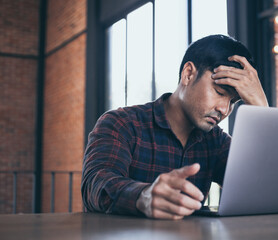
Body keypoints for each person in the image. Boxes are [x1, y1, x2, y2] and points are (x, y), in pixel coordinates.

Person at [81, 34, 268, 220]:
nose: (224, 109)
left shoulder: (217, 141)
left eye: (233, 102)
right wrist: (143, 196)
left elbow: (258, 188)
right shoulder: (122, 123)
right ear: (188, 74)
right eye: (219, 92)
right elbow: (95, 184)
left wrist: (261, 109)